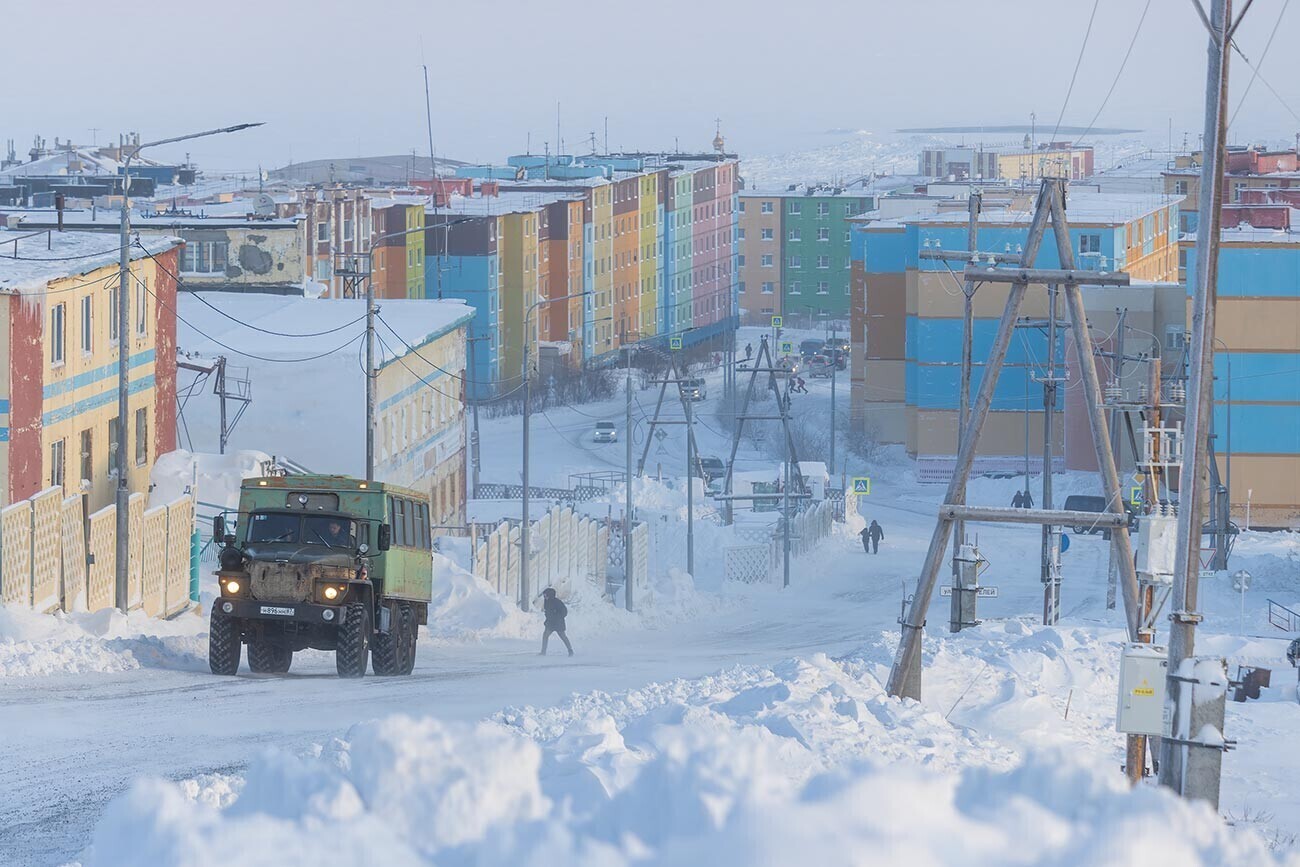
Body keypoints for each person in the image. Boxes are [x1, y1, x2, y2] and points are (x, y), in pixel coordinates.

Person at [539, 588, 573, 657]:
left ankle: (570, 650)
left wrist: (558, 617)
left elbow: (564, 612)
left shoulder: (558, 602)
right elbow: (547, 612)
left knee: (563, 636)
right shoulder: (546, 601)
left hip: (558, 623)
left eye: (545, 595)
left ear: (550, 595)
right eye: (544, 595)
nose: (544, 597)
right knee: (545, 635)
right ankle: (543, 652)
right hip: (550, 623)